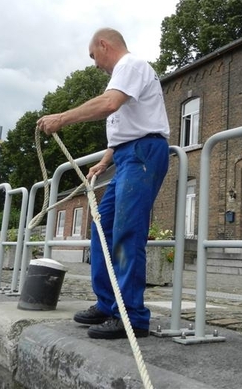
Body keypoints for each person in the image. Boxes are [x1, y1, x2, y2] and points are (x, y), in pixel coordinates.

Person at [37, 28, 170, 339]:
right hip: (127, 156)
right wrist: (105, 160)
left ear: (103, 44)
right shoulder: (121, 77)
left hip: (143, 154)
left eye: (93, 55)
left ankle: (132, 316)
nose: (94, 63)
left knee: (126, 231)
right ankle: (108, 304)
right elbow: (128, 124)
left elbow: (110, 105)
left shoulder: (131, 66)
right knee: (101, 227)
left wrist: (62, 118)